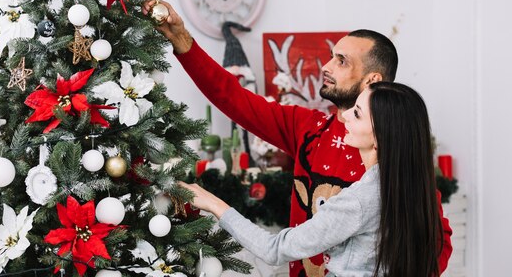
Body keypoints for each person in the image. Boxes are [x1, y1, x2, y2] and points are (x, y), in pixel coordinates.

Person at [142, 0, 452, 276]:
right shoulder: (308, 127)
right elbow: (233, 98)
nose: (326, 66)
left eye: (342, 61)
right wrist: (182, 41)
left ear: (372, 80)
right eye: (331, 56)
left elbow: (435, 243)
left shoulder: (397, 163)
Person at [181, 82, 444, 277]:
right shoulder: (411, 189)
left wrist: (214, 204)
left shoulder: (360, 200)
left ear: (380, 137)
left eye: (357, 113)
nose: (345, 115)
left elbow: (274, 249)